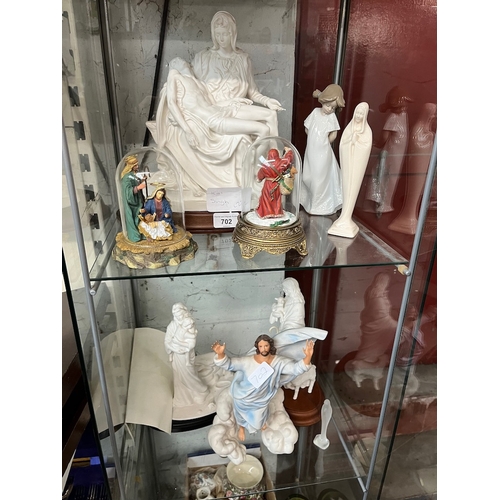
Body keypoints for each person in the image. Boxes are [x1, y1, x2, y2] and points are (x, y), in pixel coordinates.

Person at [212, 334, 314, 441]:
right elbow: (230, 364)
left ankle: (260, 423)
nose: (263, 349)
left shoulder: (278, 362)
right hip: (243, 397)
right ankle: (242, 427)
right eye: (261, 346)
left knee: (258, 422)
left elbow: (295, 368)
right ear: (257, 347)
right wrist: (220, 354)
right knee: (241, 415)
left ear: (270, 346)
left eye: (266, 346)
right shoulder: (248, 361)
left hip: (261, 400)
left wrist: (308, 357)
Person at [166, 58, 278, 147]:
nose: (181, 60)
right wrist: (187, 131)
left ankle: (272, 160)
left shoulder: (201, 84)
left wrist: (233, 100)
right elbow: (171, 103)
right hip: (214, 119)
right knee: (263, 130)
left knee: (270, 116)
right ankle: (254, 163)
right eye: (176, 61)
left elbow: (214, 104)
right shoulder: (176, 77)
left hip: (223, 110)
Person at [193, 11, 283, 112]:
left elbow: (252, 92)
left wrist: (267, 101)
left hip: (237, 110)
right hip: (212, 112)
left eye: (224, 34)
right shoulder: (203, 59)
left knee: (271, 116)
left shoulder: (243, 60)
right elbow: (193, 90)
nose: (221, 39)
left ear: (232, 34)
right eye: (217, 34)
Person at [328, 102, 372, 238]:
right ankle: (343, 216)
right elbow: (342, 145)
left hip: (357, 166)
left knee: (353, 187)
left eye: (361, 114)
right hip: (347, 164)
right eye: (357, 112)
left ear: (365, 116)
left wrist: (357, 141)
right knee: (346, 185)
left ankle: (347, 217)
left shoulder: (367, 131)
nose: (358, 116)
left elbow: (366, 147)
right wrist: (350, 142)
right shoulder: (349, 128)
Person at [300, 84, 345, 215]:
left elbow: (334, 134)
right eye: (328, 105)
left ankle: (319, 205)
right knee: (308, 175)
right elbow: (307, 127)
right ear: (323, 101)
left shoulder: (331, 117)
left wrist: (324, 143)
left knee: (320, 176)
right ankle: (309, 201)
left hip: (323, 152)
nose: (330, 109)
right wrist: (313, 139)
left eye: (333, 107)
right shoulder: (315, 112)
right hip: (311, 150)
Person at [165, 303, 209, 407]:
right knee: (179, 377)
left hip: (187, 354)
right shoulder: (172, 326)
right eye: (177, 316)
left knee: (189, 374)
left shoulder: (189, 323)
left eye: (181, 315)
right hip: (177, 355)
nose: (179, 317)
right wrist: (174, 348)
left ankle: (202, 391)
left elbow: (192, 340)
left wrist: (183, 345)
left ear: (184, 313)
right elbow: (167, 341)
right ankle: (183, 399)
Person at [255, 148, 295, 219]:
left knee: (266, 199)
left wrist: (259, 179)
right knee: (276, 199)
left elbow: (259, 176)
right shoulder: (281, 163)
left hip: (268, 185)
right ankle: (276, 212)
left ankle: (266, 213)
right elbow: (288, 160)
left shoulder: (265, 165)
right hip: (277, 184)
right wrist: (289, 151)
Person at [120, 154, 147, 242]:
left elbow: (136, 181)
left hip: (138, 201)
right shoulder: (126, 177)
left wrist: (142, 180)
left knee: (141, 218)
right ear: (130, 166)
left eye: (137, 164)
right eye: (135, 165)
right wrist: (139, 187)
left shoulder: (133, 174)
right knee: (135, 219)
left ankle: (143, 233)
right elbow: (128, 192)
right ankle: (135, 236)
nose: (137, 166)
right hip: (132, 204)